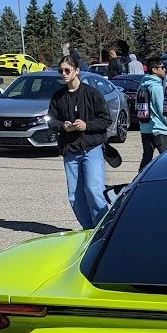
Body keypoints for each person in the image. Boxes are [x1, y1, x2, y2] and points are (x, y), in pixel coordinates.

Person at [48, 54, 111, 229]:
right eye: (61, 71)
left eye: (67, 70)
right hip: (70, 150)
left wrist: (86, 125)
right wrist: (63, 126)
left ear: (76, 71)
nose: (63, 74)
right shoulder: (58, 97)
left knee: (94, 190)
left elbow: (106, 120)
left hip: (91, 148)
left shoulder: (91, 93)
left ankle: (103, 228)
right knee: (74, 195)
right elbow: (51, 120)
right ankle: (88, 229)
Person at [138, 57, 167, 170]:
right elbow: (162, 110)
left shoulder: (141, 86)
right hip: (159, 129)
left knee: (146, 159)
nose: (165, 70)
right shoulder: (157, 87)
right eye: (162, 67)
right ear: (154, 70)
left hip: (145, 129)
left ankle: (140, 178)